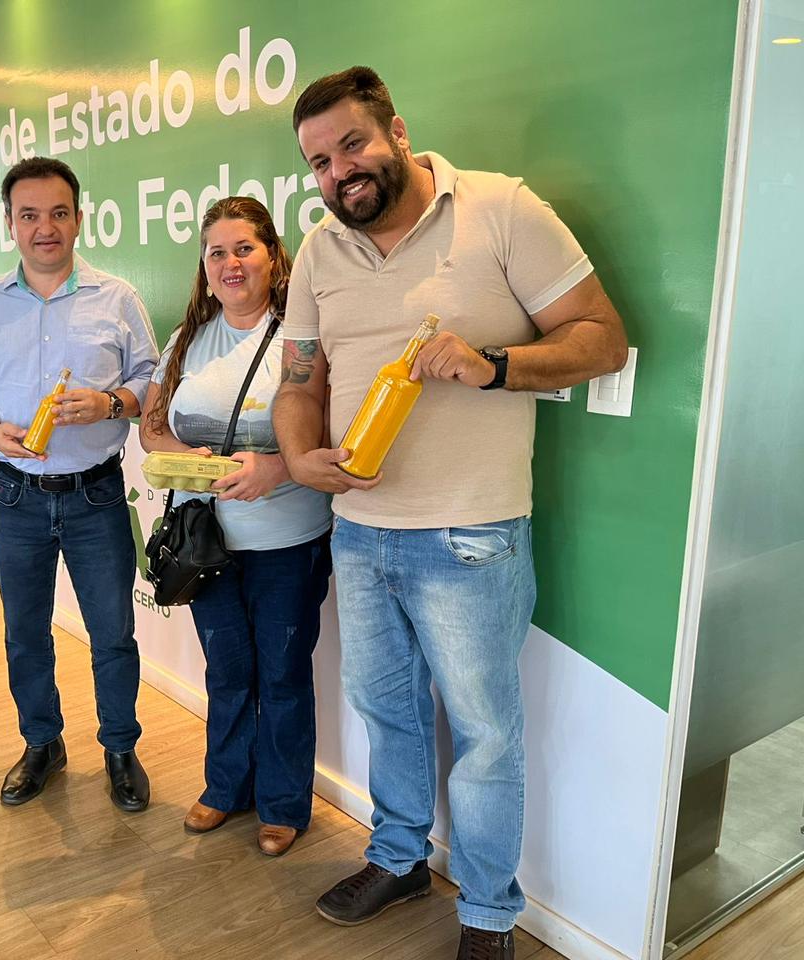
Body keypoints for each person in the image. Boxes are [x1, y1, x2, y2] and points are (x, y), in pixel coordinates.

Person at [275, 68, 628, 959]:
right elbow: (298, 381)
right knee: (385, 711)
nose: (339, 172)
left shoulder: (500, 209)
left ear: (396, 131)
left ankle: (488, 914)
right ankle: (398, 858)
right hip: (360, 534)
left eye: (352, 144)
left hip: (472, 535)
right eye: (319, 162)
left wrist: (495, 365)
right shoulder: (319, 249)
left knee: (485, 736)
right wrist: (301, 454)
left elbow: (603, 339)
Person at [0, 157, 159, 812]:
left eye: (58, 213)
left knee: (112, 633)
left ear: (78, 218)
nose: (46, 228)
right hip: (16, 494)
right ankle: (42, 743)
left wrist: (111, 404)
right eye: (30, 215)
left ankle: (120, 748)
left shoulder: (117, 298)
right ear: (9, 223)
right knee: (25, 633)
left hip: (97, 494)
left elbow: (152, 379)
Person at [139, 197, 332, 856]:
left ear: (273, 256)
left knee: (282, 675)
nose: (231, 263)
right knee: (227, 672)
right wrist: (187, 459)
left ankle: (283, 803)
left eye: (244, 248)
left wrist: (276, 467)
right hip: (207, 546)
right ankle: (227, 787)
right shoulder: (187, 338)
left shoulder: (302, 338)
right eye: (217, 251)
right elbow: (152, 427)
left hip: (288, 543)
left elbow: (336, 430)